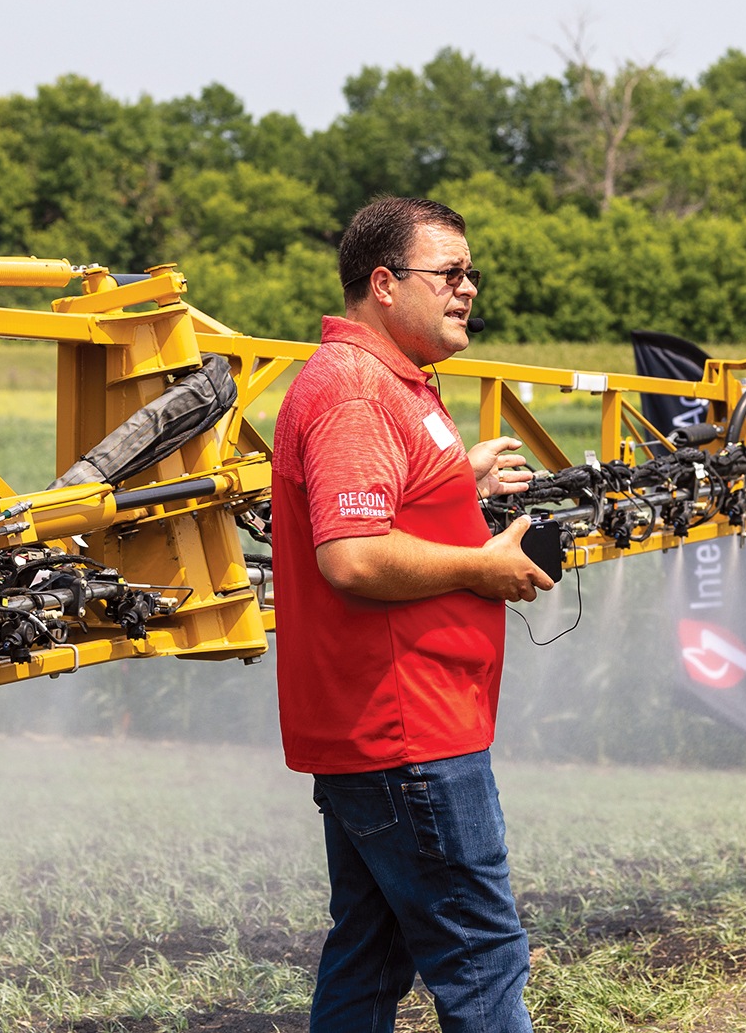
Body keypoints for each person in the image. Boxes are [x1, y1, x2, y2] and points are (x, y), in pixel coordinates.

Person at [269, 195, 554, 1031]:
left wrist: (453, 482)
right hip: (408, 734)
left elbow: (377, 504)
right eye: (451, 273)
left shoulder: (390, 380)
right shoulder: (356, 389)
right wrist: (484, 563)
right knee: (484, 958)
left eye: (472, 273)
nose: (469, 288)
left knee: (372, 953)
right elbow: (352, 556)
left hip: (394, 729)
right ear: (386, 283)